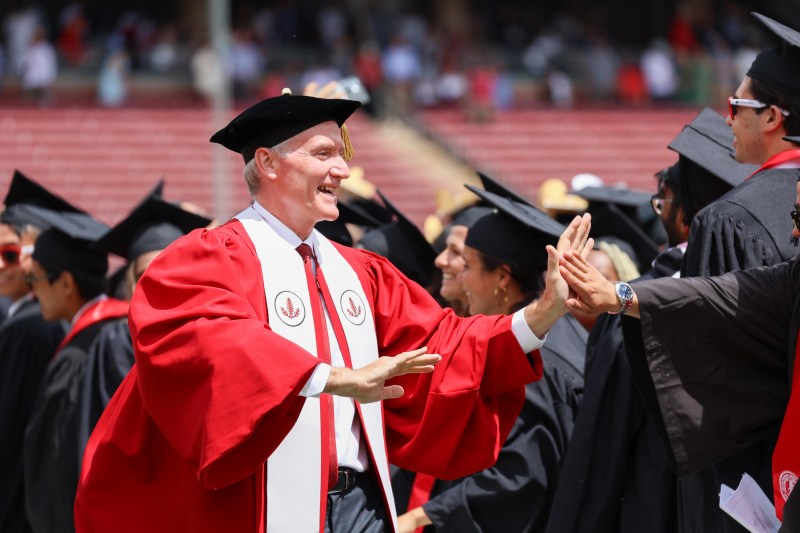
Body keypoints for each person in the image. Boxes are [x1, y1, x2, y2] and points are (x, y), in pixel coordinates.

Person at [75, 91, 593, 533]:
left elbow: (441, 342)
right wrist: (330, 378)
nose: (343, 169)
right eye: (325, 153)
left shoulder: (361, 271)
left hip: (361, 505)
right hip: (259, 504)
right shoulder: (208, 257)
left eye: (342, 154)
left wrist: (541, 315)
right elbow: (210, 343)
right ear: (270, 163)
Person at [545, 106, 758, 533]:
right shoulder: (759, 296)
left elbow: (600, 452)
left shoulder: (634, 308)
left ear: (685, 217)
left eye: (664, 202)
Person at [558, 176, 800, 528]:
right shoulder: (795, 282)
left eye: (798, 217)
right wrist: (618, 296)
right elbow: (718, 295)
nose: (793, 235)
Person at [669, 13, 800, 531]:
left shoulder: (729, 220)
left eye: (736, 106)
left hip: (747, 482)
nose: (727, 119)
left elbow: (708, 374)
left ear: (771, 117)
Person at [396, 184, 587, 532]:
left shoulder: (530, 358)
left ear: (501, 277)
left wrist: (425, 515)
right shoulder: (563, 333)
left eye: (467, 266)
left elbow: (520, 474)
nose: (460, 279)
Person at [24, 211, 129, 533]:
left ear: (66, 283)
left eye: (36, 280)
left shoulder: (82, 353)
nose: (32, 292)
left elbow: (58, 457)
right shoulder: (119, 333)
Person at [0, 171, 70, 533]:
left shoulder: (27, 330)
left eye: (9, 253)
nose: (0, 264)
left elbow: (10, 436)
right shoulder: (34, 320)